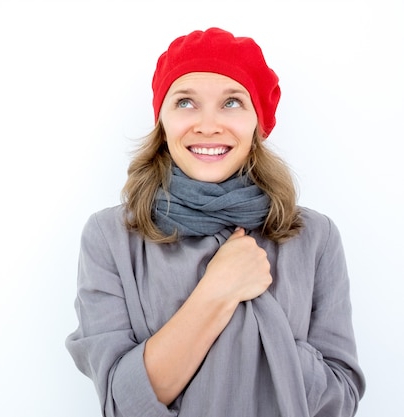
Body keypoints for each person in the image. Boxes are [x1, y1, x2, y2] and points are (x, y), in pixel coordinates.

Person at [65, 27, 365, 417]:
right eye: (186, 102)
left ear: (258, 122)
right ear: (163, 120)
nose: (207, 125)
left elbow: (342, 399)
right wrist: (217, 292)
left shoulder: (316, 237)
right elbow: (123, 403)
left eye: (232, 102)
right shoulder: (110, 237)